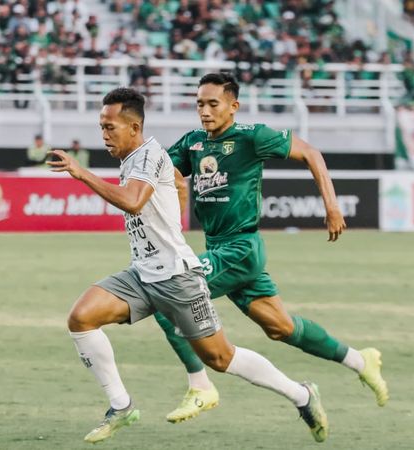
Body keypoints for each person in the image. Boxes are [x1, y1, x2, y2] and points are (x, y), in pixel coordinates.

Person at [48, 87, 328, 444]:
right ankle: (121, 405)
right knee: (81, 318)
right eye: (101, 127)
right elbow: (172, 185)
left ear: (133, 128)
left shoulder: (148, 155)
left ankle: (301, 395)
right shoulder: (132, 159)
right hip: (142, 273)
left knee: (221, 358)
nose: (104, 134)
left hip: (178, 277)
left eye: (110, 128)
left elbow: (133, 202)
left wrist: (79, 171)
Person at [156, 72, 389, 423]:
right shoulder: (193, 143)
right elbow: (159, 170)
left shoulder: (253, 137)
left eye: (213, 104)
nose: (204, 111)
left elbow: (311, 153)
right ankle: (359, 361)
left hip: (240, 248)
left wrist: (332, 206)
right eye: (200, 104)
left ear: (233, 107)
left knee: (167, 294)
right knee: (281, 328)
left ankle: (200, 386)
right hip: (221, 250)